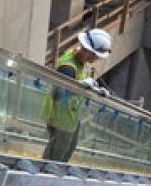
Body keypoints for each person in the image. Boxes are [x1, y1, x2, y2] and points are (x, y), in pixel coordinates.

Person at [41, 28, 112, 162]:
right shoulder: (68, 67)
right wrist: (80, 86)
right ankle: (45, 175)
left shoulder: (81, 62)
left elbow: (80, 84)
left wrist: (96, 90)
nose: (96, 59)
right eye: (95, 56)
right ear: (87, 51)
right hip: (59, 116)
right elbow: (59, 93)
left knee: (68, 147)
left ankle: (53, 171)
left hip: (70, 115)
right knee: (56, 154)